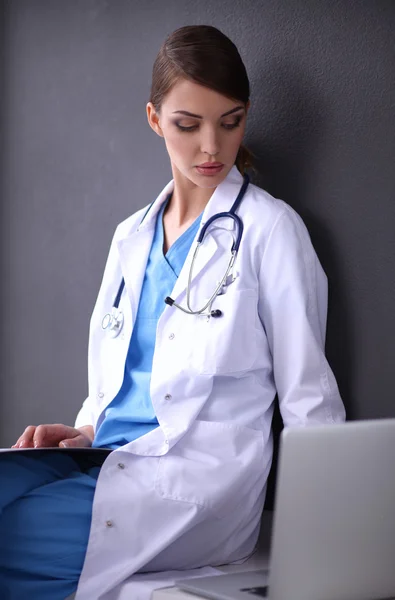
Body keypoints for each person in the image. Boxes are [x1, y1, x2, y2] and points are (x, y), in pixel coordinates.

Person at [0, 25, 345, 600]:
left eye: (230, 122)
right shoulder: (130, 237)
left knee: (11, 539)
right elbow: (119, 379)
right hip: (108, 458)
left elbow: (309, 398)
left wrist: (328, 548)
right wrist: (85, 430)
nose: (212, 146)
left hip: (199, 485)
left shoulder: (270, 231)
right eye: (188, 125)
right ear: (156, 120)